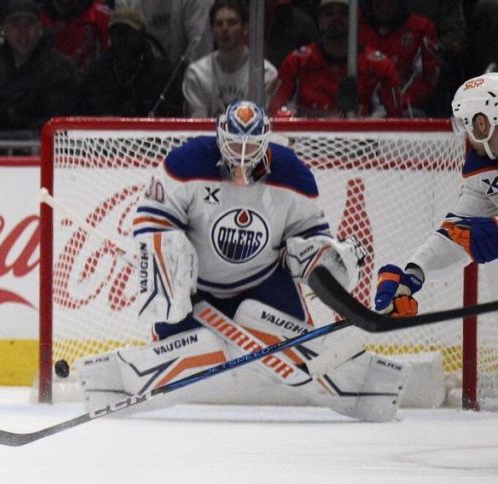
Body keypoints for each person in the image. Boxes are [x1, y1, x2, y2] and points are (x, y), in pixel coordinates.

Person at [76, 101, 405, 422]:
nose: (242, 156)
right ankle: (127, 376)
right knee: (184, 328)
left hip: (264, 283)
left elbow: (311, 234)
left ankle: (358, 382)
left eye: (250, 147)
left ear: (266, 142)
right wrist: (163, 256)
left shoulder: (293, 174)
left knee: (296, 348)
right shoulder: (187, 162)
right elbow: (152, 216)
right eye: (235, 145)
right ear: (221, 137)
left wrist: (324, 258)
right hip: (195, 288)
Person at [374, 73, 498, 319]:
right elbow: (456, 233)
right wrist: (412, 276)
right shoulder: (483, 167)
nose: (467, 136)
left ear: (482, 123)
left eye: (467, 126)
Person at [269, 0, 401, 118]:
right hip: (305, 137)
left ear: (356, 19)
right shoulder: (296, 62)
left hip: (362, 138)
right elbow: (276, 112)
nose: (336, 18)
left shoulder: (380, 66)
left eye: (344, 13)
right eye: (329, 13)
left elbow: (393, 118)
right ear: (319, 20)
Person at [0, 0, 79, 135]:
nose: (23, 32)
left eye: (30, 24)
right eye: (16, 25)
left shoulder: (61, 69)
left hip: (42, 144)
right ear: (4, 29)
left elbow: (59, 119)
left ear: (40, 28)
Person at [183, 0, 278, 118]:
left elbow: (264, 122)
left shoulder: (266, 74)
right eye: (219, 24)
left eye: (232, 23)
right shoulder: (196, 74)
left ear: (245, 28)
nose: (224, 29)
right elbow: (198, 123)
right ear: (211, 30)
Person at [79, 7, 179, 117]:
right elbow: (84, 108)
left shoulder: (160, 73)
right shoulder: (98, 71)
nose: (121, 39)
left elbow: (170, 113)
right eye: (116, 33)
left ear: (141, 34)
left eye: (126, 33)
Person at [358, 0, 439, 117]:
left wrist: (397, 103)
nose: (384, 7)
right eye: (379, 2)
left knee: (415, 115)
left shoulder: (420, 28)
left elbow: (427, 78)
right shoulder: (355, 26)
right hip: (359, 108)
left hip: (404, 107)